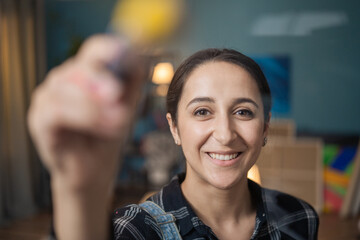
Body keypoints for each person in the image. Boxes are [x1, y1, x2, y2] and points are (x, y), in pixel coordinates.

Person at [28, 35, 319, 240]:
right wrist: (78, 192)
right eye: (203, 111)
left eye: (243, 112)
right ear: (175, 128)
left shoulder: (299, 217)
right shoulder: (136, 229)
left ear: (265, 127)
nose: (225, 134)